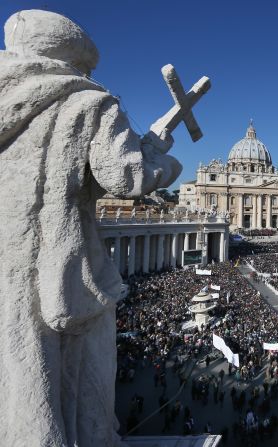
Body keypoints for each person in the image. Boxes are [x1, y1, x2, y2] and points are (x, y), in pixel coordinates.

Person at [0, 10, 181, 446]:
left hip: (8, 254)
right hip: (60, 263)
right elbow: (126, 178)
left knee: (18, 368)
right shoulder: (87, 101)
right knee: (76, 371)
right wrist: (166, 162)